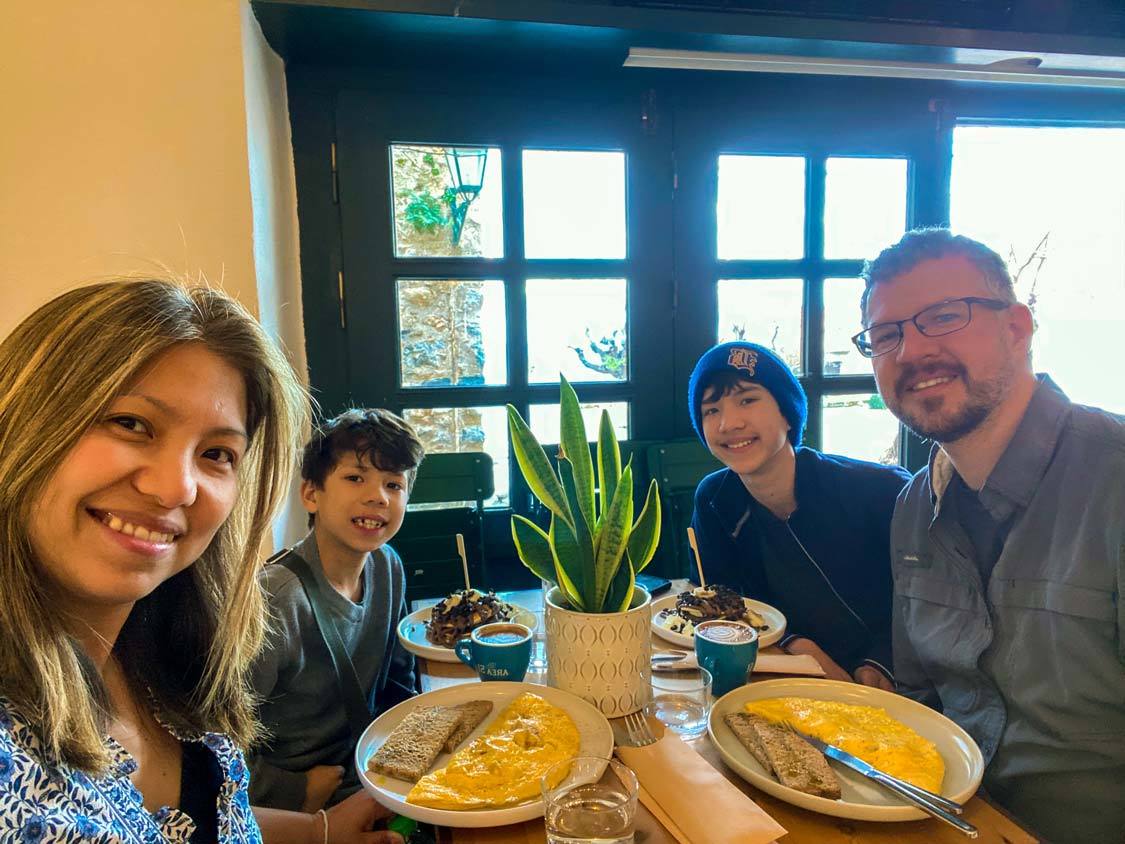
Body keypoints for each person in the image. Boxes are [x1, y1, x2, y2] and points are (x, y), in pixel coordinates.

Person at [0, 280, 402, 843]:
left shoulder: (165, 650)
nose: (175, 489)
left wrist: (320, 831)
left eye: (216, 454)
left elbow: (194, 823)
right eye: (131, 423)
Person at [857, 228, 1125, 844]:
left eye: (945, 317)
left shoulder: (1110, 483)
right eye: (885, 335)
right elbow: (919, 701)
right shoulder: (912, 509)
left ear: (1017, 329)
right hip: (943, 820)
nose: (911, 351)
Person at [687, 341, 911, 687]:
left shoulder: (881, 491)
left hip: (901, 681)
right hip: (785, 673)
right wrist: (795, 642)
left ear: (787, 415)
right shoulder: (716, 499)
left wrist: (880, 664)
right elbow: (726, 602)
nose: (728, 423)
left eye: (747, 399)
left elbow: (925, 603)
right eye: (711, 410)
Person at [249, 409, 421, 811]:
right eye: (355, 477)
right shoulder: (277, 598)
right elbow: (218, 742)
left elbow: (399, 679)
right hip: (298, 801)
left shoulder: (388, 565)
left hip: (372, 773)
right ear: (311, 494)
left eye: (393, 484)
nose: (378, 496)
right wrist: (294, 790)